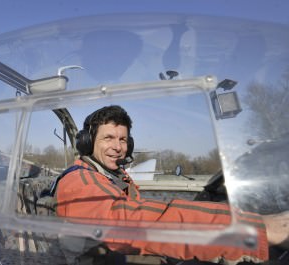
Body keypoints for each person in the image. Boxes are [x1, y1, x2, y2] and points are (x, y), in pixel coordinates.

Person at [54, 105, 289, 264]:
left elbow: (142, 213)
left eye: (123, 140)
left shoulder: (116, 175)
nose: (118, 147)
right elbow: (128, 221)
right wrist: (253, 227)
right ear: (86, 143)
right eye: (108, 138)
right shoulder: (79, 180)